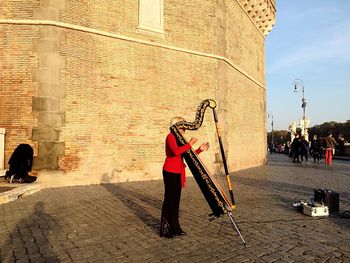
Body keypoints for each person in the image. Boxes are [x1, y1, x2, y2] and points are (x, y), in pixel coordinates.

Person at [160, 117, 209, 238]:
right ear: (176, 127)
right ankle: (165, 228)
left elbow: (188, 156)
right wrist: (190, 143)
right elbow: (176, 152)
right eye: (183, 126)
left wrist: (200, 149)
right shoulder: (170, 137)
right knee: (169, 200)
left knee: (176, 201)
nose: (185, 129)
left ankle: (175, 228)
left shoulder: (180, 139)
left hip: (178, 171)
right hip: (170, 171)